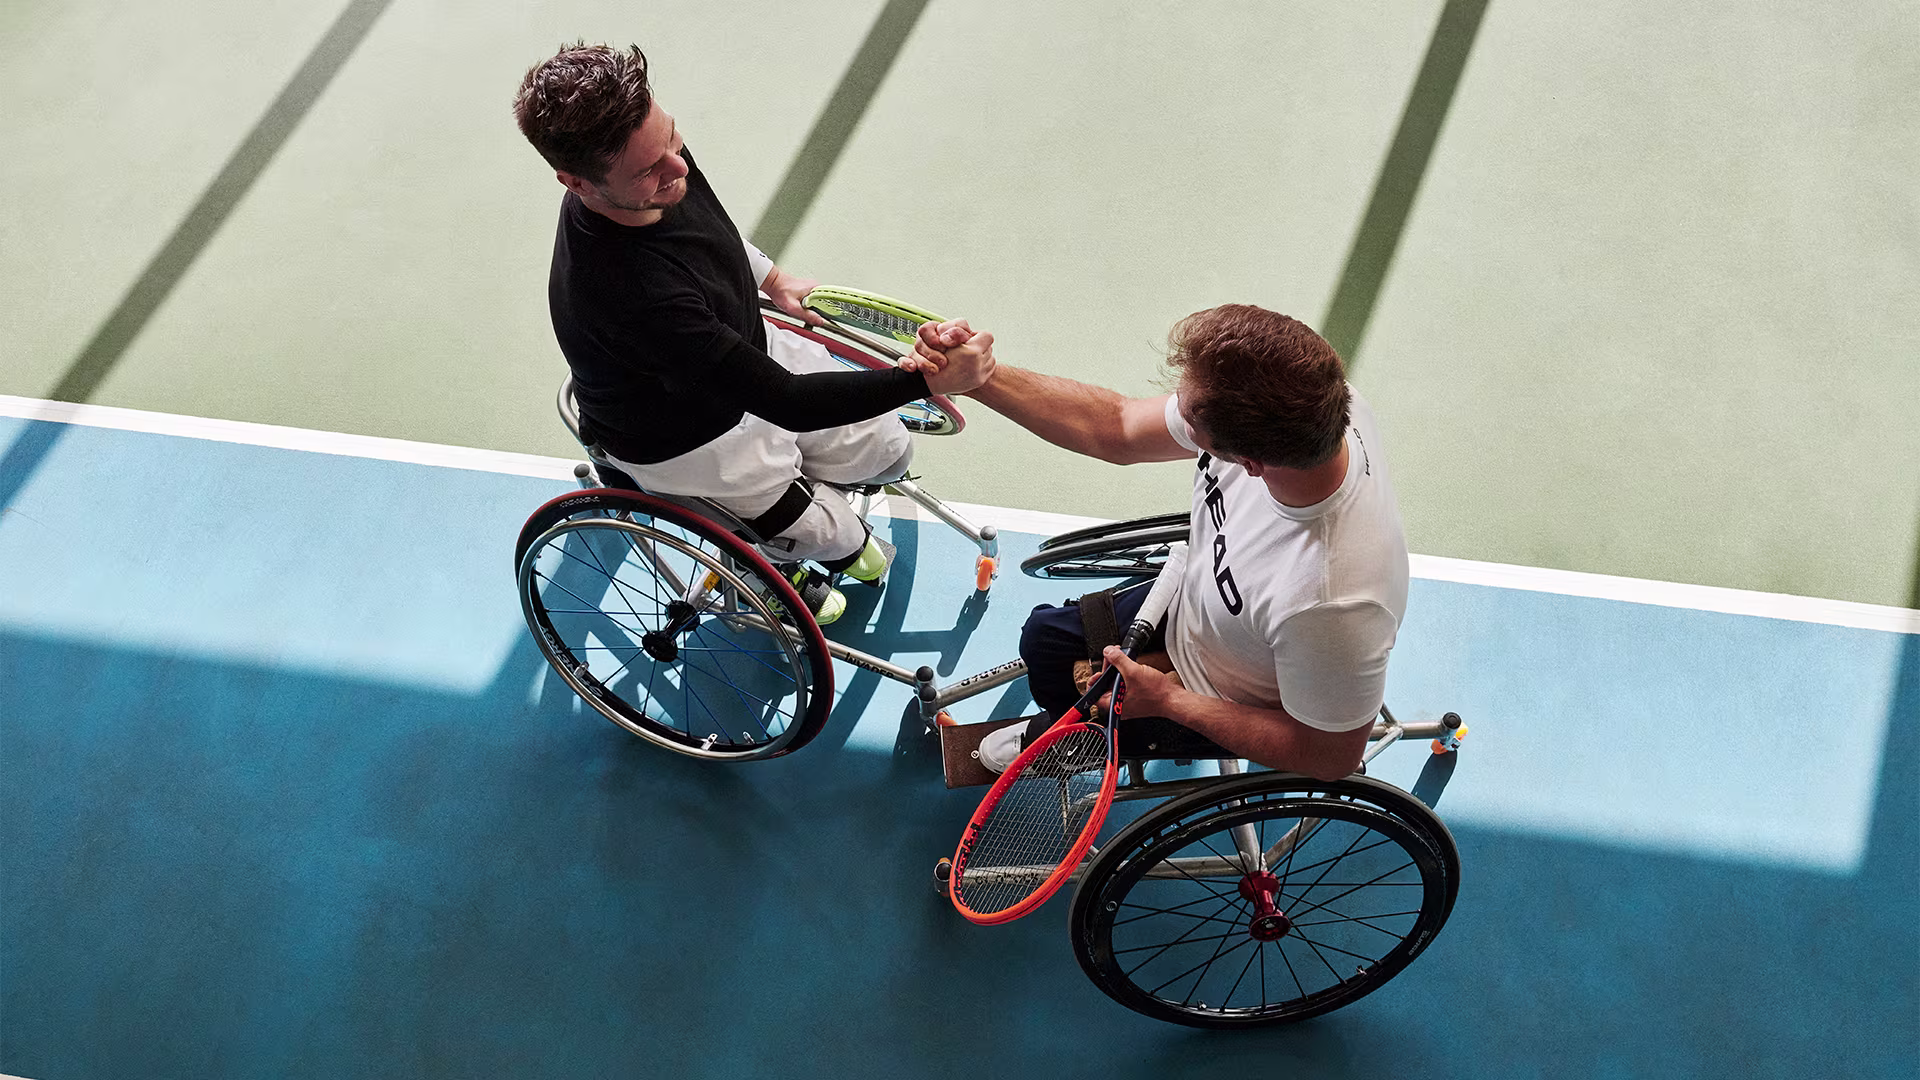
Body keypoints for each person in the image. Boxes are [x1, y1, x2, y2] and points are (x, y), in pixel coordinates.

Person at [511, 43, 994, 624]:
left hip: (740, 354)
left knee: (889, 450)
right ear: (577, 183)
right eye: (648, 172)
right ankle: (771, 558)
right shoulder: (632, 296)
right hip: (692, 440)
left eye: (672, 141)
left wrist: (773, 278)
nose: (678, 170)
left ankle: (789, 522)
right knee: (845, 542)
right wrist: (926, 381)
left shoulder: (657, 163)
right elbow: (788, 401)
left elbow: (708, 226)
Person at [909, 306, 1407, 782]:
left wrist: (1171, 702)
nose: (1174, 414)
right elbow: (1118, 425)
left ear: (1250, 463)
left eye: (1188, 420)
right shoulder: (1315, 403)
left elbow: (1329, 755)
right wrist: (981, 378)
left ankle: (1065, 742)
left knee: (1062, 692)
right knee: (1043, 641)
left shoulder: (1332, 604)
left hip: (1219, 697)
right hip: (1202, 609)